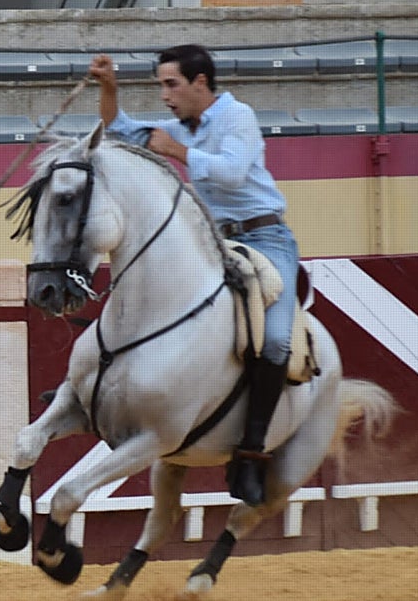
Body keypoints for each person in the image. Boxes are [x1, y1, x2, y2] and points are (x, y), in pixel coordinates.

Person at [87, 44, 300, 507]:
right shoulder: (177, 127)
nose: (165, 95)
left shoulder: (236, 116)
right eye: (161, 85)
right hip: (211, 242)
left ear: (200, 83)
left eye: (171, 85)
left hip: (265, 239)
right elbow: (118, 132)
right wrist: (109, 88)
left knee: (278, 340)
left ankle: (251, 450)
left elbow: (233, 173)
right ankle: (92, 387)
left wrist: (178, 152)